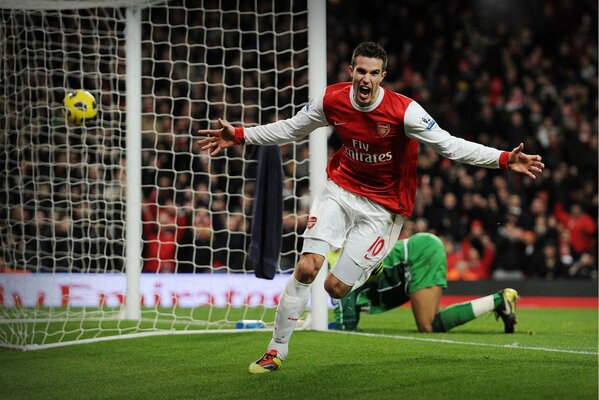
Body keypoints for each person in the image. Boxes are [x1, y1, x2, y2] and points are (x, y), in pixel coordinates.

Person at [197, 42, 544, 373]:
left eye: (373, 73)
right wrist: (240, 135)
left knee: (336, 289)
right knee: (306, 268)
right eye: (360, 71)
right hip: (341, 189)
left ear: (383, 76)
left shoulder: (404, 112)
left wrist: (502, 159)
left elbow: (450, 146)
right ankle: (276, 349)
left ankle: (372, 264)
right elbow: (291, 129)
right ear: (351, 70)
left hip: (382, 207)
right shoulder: (332, 100)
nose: (366, 79)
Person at [327, 232, 519, 334]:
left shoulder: (338, 273)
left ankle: (498, 300)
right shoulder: (343, 261)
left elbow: (346, 325)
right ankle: (498, 301)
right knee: (432, 323)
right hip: (422, 248)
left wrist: (320, 324)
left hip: (419, 253)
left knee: (427, 326)